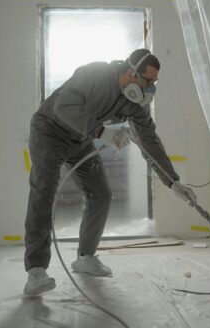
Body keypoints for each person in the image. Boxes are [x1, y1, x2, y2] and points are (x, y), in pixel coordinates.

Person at [23, 48, 196, 295]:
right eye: (148, 82)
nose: (151, 89)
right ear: (131, 73)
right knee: (44, 193)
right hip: (49, 131)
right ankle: (36, 270)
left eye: (154, 83)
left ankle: (85, 258)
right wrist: (103, 132)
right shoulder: (95, 74)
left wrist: (173, 182)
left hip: (81, 139)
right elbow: (64, 106)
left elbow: (149, 140)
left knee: (100, 194)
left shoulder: (134, 102)